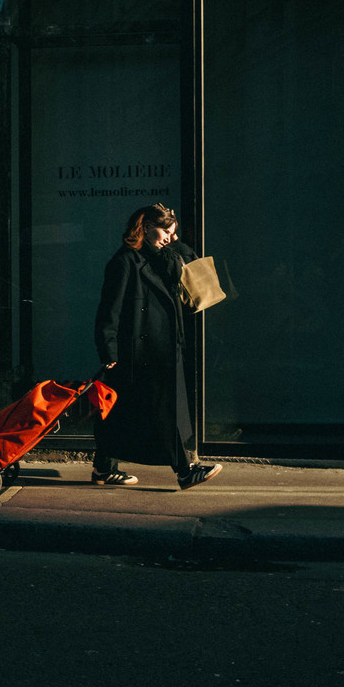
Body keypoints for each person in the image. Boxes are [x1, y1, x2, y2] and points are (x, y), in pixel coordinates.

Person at [91, 203, 222, 490]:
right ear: (146, 227)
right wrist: (108, 350)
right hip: (140, 352)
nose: (169, 238)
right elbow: (108, 311)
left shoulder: (164, 258)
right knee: (167, 411)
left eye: (172, 233)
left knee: (123, 412)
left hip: (166, 347)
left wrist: (174, 239)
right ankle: (186, 471)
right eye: (165, 231)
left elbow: (191, 263)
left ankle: (103, 468)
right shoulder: (126, 261)